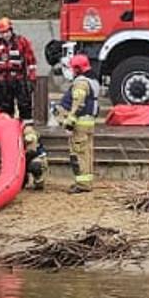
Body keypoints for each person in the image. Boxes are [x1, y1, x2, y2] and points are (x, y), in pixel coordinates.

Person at [56, 53, 101, 193]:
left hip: (80, 124)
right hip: (89, 123)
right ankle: (86, 182)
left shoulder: (81, 82)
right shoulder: (93, 81)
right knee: (87, 153)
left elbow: (78, 101)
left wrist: (69, 119)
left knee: (78, 154)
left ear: (77, 68)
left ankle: (82, 185)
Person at [0, 17, 37, 119]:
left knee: (25, 105)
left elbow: (31, 61)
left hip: (20, 79)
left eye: (7, 31)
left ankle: (26, 128)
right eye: (2, 32)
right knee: (5, 108)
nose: (5, 35)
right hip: (3, 81)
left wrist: (32, 77)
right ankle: (8, 129)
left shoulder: (22, 42)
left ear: (11, 30)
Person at [22, 121, 48, 190]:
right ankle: (23, 181)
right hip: (24, 158)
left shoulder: (32, 136)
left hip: (36, 158)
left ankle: (38, 181)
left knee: (35, 165)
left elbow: (29, 139)